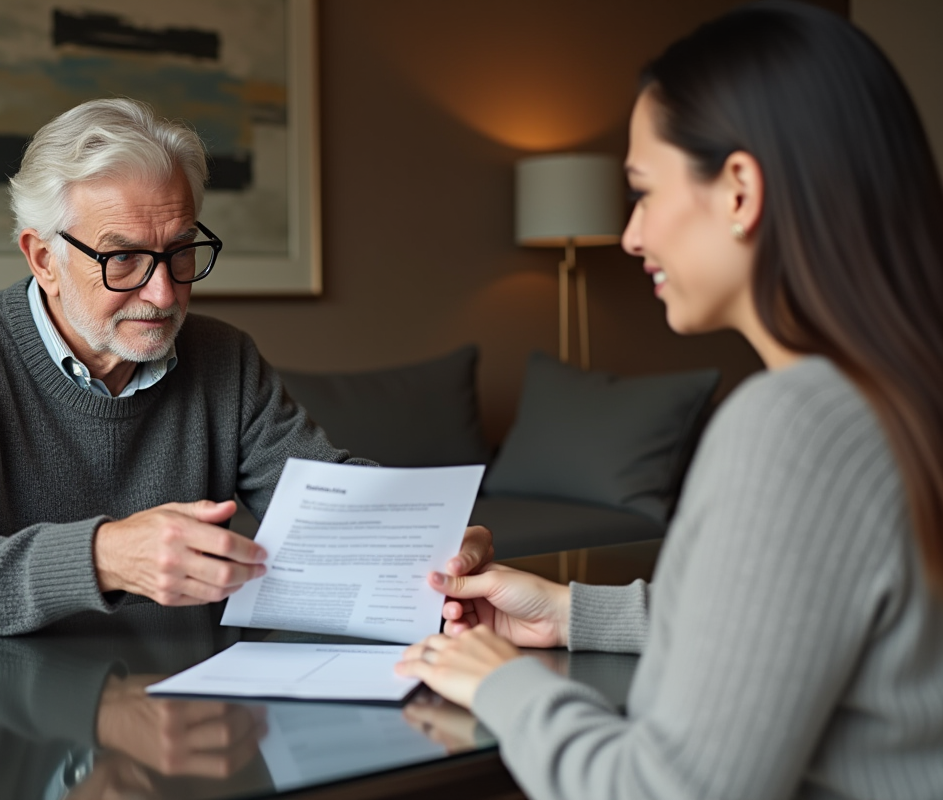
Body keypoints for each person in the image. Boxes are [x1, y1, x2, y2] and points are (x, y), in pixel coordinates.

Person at [396, 3, 943, 798]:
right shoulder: (902, 393)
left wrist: (501, 683)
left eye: (644, 192)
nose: (631, 236)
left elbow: (668, 788)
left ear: (739, 190)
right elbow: (802, 619)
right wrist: (569, 613)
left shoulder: (790, 429)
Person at [0, 98, 492, 636]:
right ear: (41, 258)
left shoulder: (225, 359)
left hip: (171, 696)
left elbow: (321, 497)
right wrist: (101, 559)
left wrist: (425, 534)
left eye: (180, 252)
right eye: (123, 259)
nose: (165, 293)